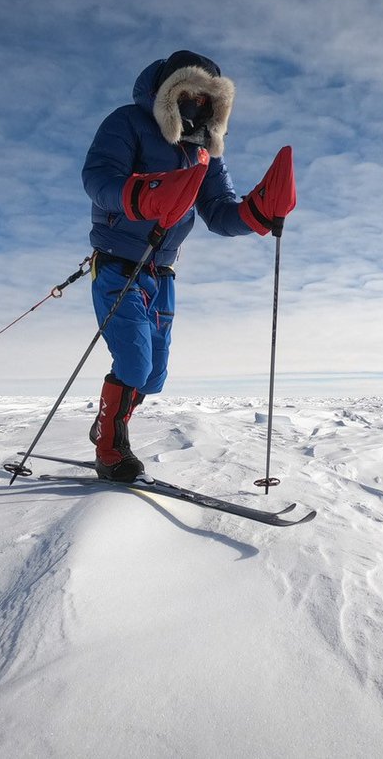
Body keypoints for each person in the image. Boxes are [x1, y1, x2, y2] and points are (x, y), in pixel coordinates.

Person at [81, 50, 296, 481]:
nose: (198, 103)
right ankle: (110, 448)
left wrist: (257, 212)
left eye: (208, 98)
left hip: (163, 272)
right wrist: (145, 195)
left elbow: (218, 209)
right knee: (135, 363)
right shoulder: (127, 122)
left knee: (154, 375)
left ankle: (110, 420)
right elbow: (98, 177)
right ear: (168, 92)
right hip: (119, 264)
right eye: (189, 93)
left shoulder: (205, 152)